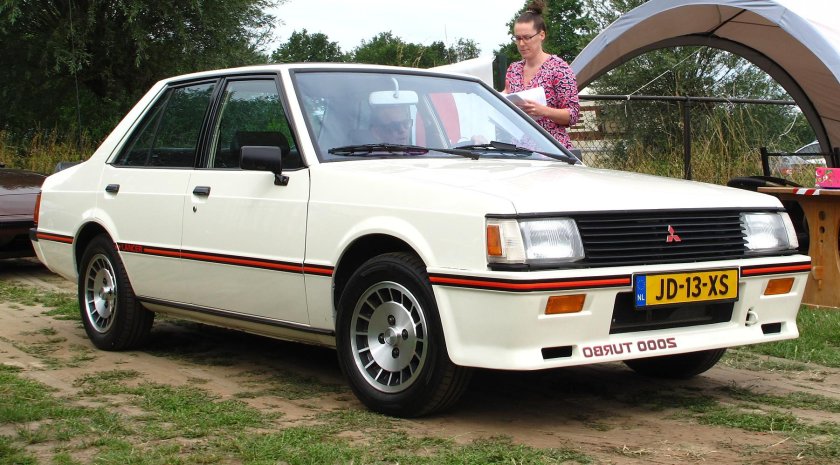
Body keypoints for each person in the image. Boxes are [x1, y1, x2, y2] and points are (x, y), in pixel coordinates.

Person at [504, 0, 580, 149]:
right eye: (517, 38)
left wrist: (543, 111)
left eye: (527, 37)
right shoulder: (513, 70)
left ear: (542, 35)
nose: (521, 44)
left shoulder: (559, 68)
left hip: (552, 150)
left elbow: (573, 114)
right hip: (518, 151)